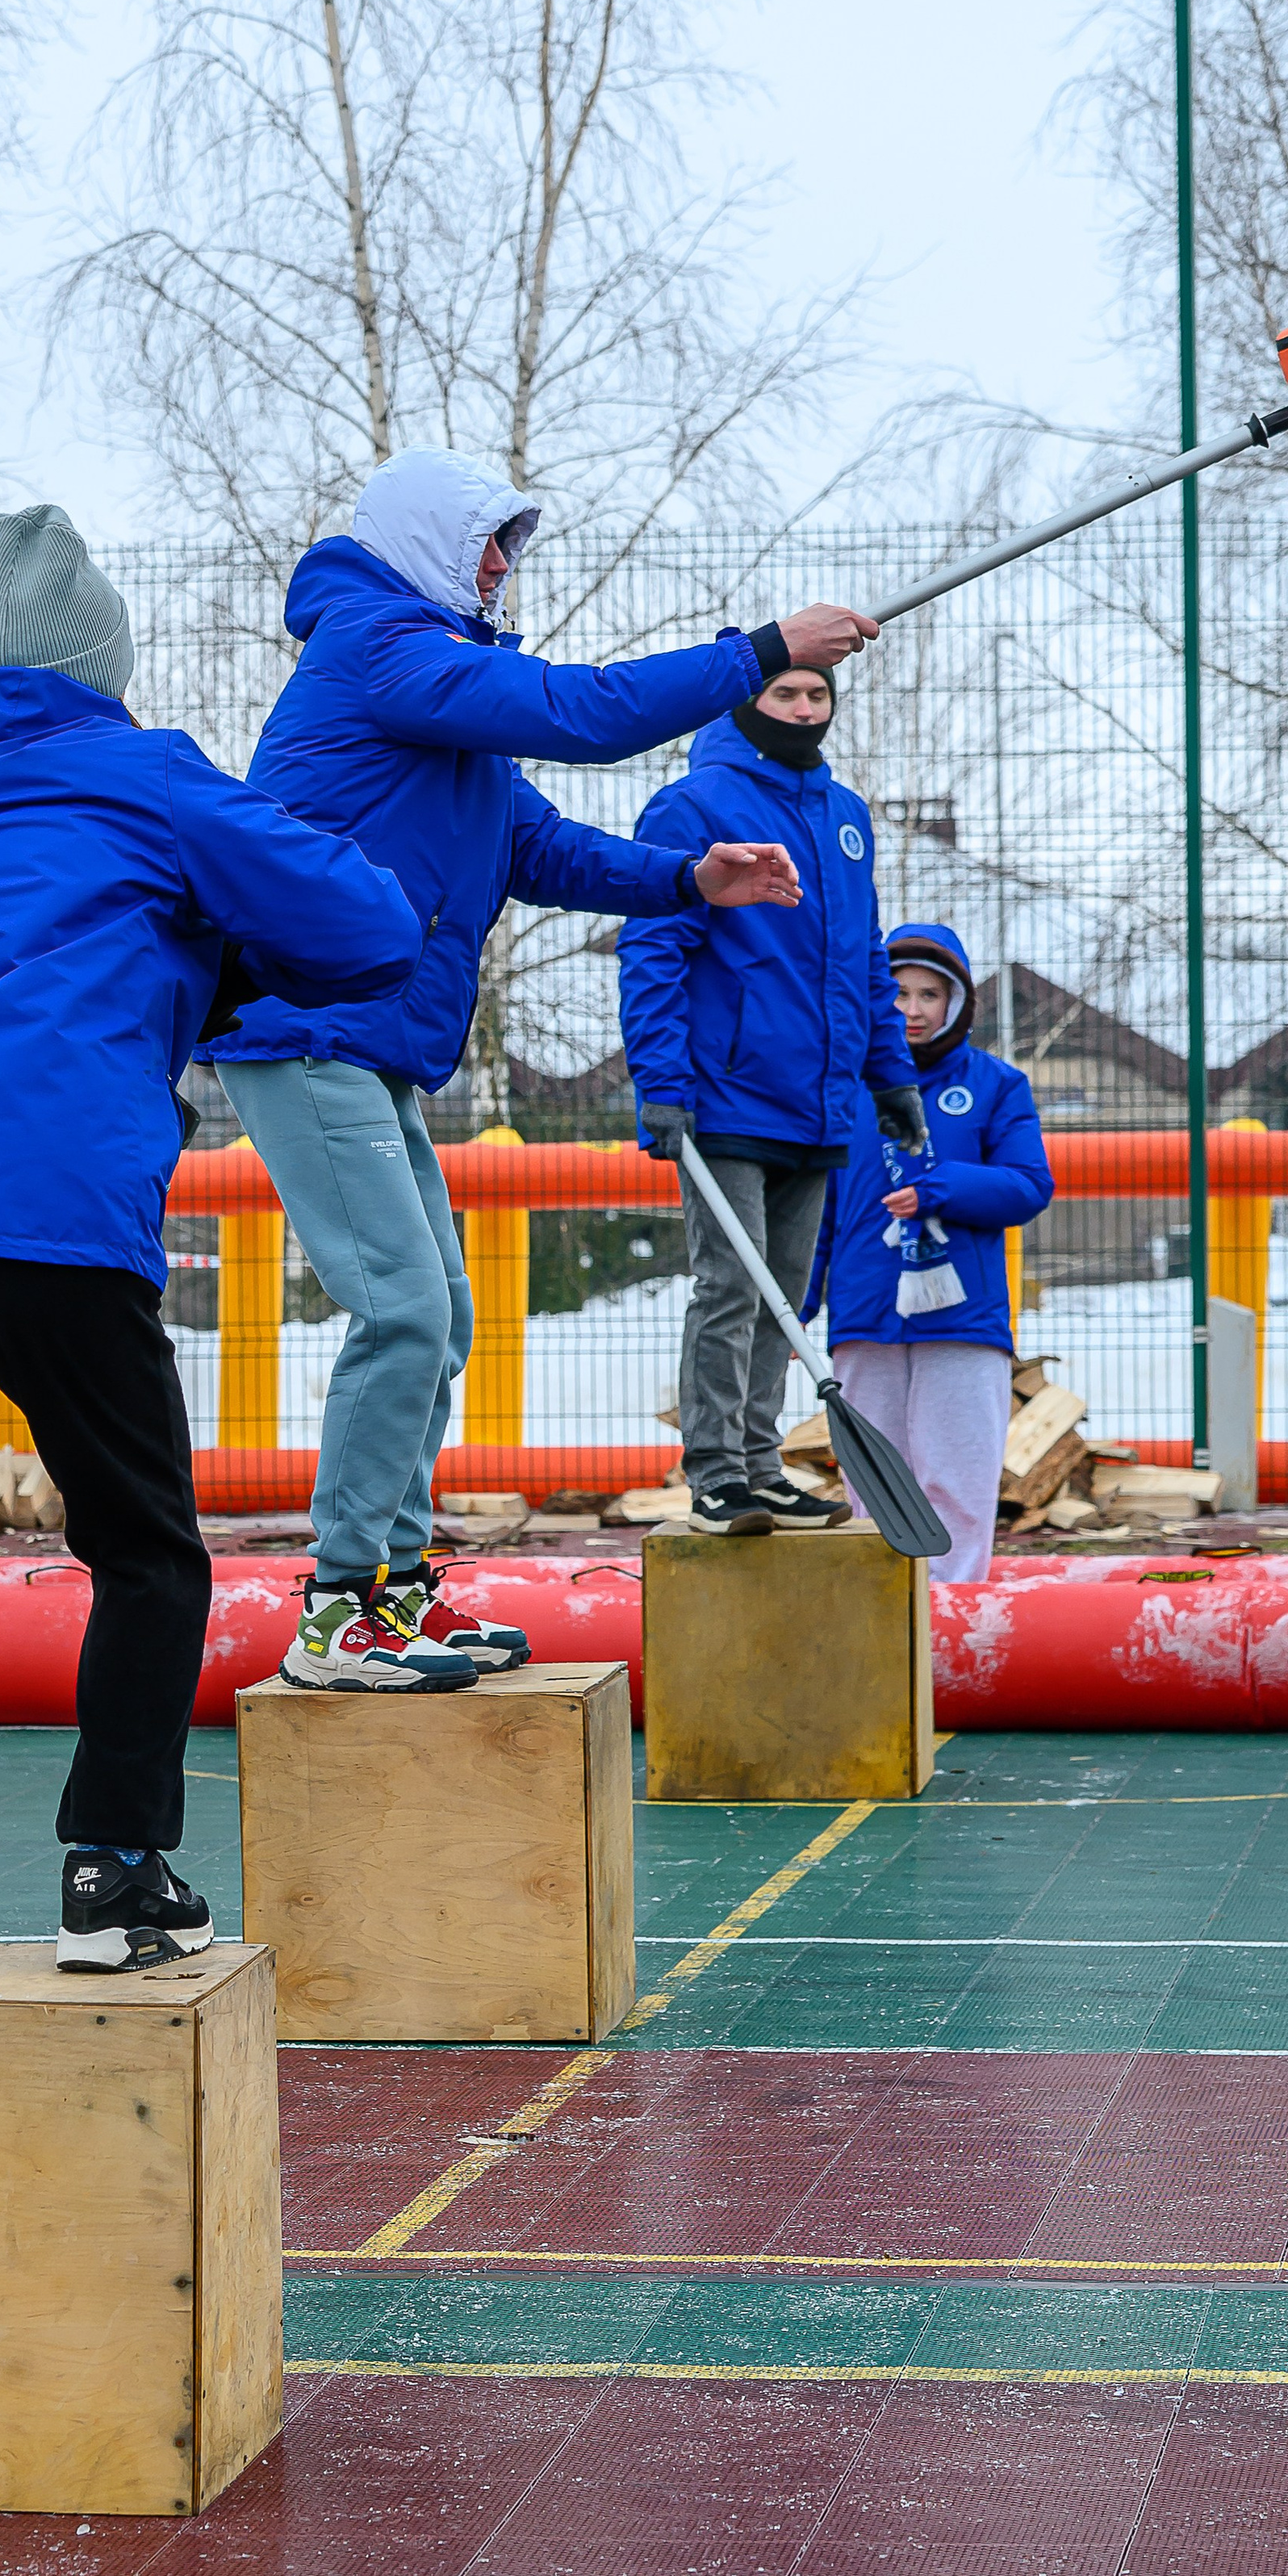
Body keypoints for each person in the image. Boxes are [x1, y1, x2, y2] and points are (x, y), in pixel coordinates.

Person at [0, 506, 420, 1972]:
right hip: (50, 1207)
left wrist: (179, 961)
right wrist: (224, 954)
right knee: (141, 1548)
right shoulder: (153, 774)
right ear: (108, 664)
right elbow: (370, 931)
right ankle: (113, 1872)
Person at [199, 444, 876, 1690]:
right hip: (300, 1030)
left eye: (515, 543)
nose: (506, 566)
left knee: (439, 1314)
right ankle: (341, 1609)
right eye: (488, 541)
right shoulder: (377, 649)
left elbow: (541, 845)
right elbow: (588, 715)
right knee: (401, 1308)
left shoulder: (445, 701)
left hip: (375, 1044)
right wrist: (761, 647)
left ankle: (396, 1592)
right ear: (424, 543)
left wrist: (685, 879)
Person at [617, 648, 930, 1536]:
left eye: (815, 693)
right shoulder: (693, 806)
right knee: (730, 1286)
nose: (802, 707)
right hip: (724, 1099)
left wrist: (888, 1075)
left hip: (818, 1102)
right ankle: (716, 1475)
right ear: (749, 700)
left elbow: (863, 958)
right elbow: (651, 952)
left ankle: (761, 1466)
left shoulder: (845, 817)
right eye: (784, 691)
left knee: (787, 1297)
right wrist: (662, 1087)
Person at [801, 922, 1054, 1583]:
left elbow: (1030, 1186)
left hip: (963, 1320)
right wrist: (802, 1295)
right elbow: (818, 1206)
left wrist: (940, 1187)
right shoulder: (839, 1085)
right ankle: (882, 1621)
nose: (911, 1010)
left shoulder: (999, 1085)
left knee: (956, 1476)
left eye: (929, 994)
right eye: (896, 993)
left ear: (957, 1003)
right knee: (873, 1483)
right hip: (864, 1314)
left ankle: (955, 1621)